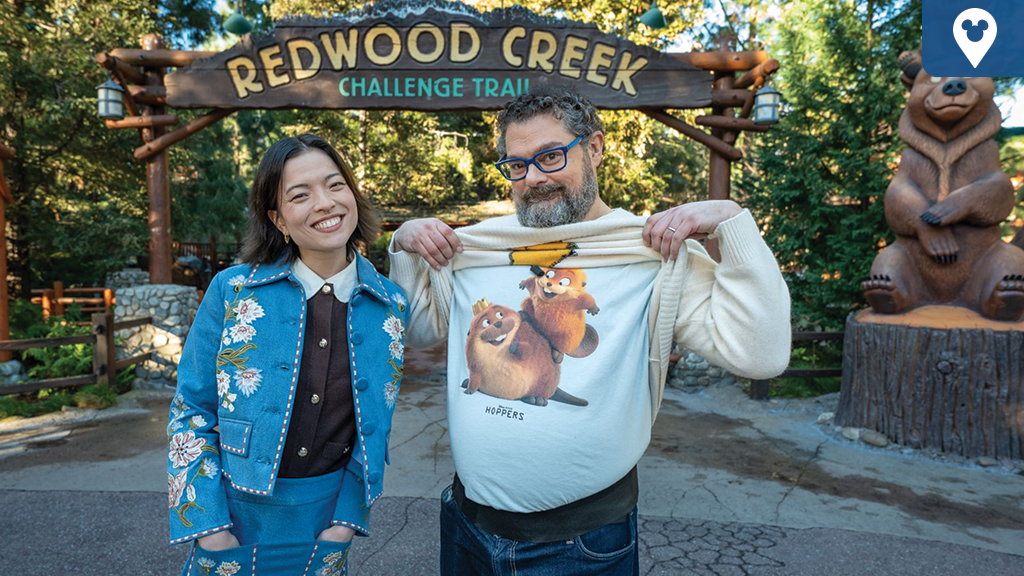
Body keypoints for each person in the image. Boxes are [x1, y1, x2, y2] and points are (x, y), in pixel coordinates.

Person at [388, 86, 791, 575]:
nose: (533, 178)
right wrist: (405, 246)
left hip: (580, 544)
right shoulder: (477, 246)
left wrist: (732, 222)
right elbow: (416, 332)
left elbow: (761, 355)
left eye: (551, 156)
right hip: (467, 525)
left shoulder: (649, 254)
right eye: (517, 166)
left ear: (595, 147)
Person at [167, 133, 409, 576]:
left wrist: (345, 523)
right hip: (232, 516)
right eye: (301, 195)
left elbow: (377, 426)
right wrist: (209, 526)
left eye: (336, 185)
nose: (325, 203)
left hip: (325, 520)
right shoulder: (233, 291)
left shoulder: (390, 304)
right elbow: (191, 410)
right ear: (278, 219)